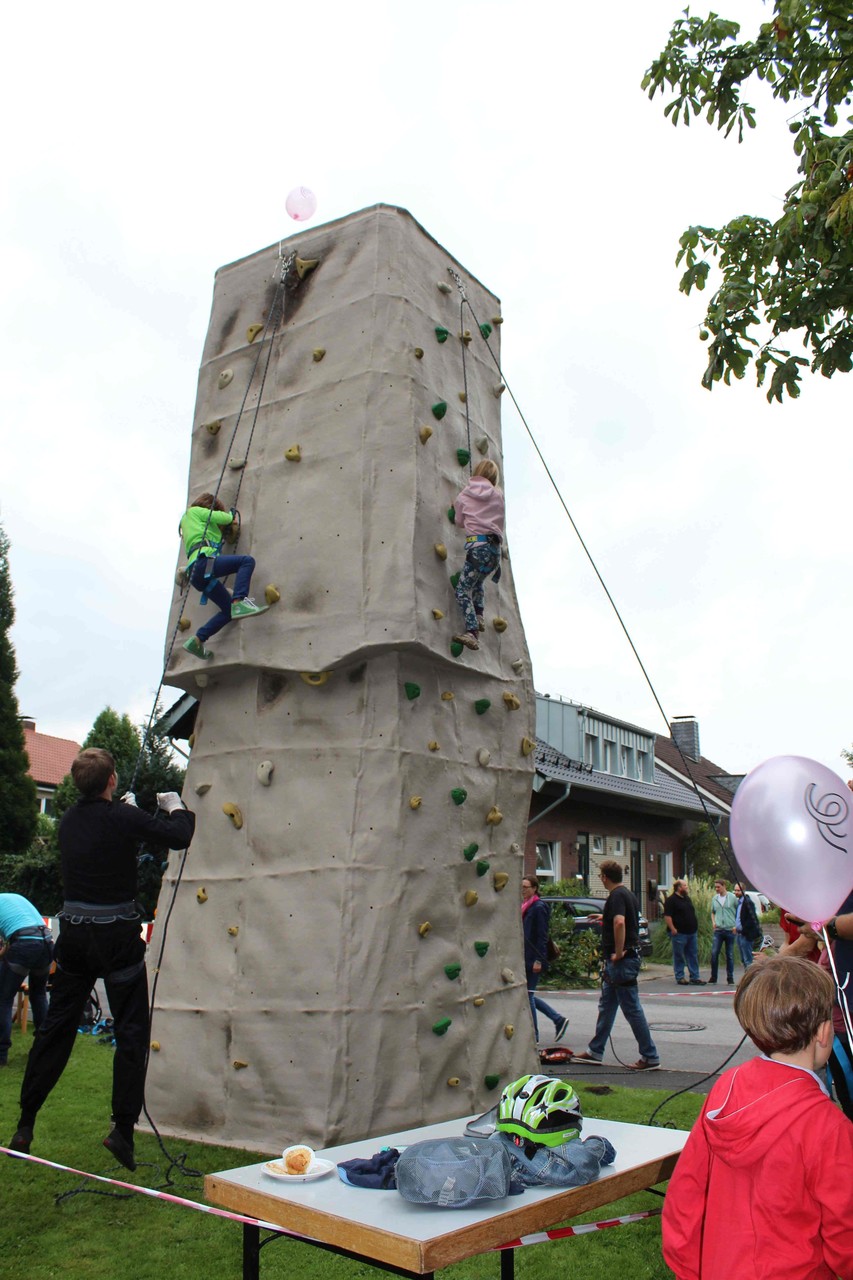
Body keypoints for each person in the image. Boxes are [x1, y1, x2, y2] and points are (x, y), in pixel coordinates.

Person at [8, 748, 195, 1171]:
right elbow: (179, 835)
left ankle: (25, 1122)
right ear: (111, 781)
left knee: (55, 1029)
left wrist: (125, 815)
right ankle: (122, 1131)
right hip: (116, 940)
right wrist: (175, 806)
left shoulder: (70, 820)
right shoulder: (122, 818)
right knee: (131, 1031)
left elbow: (104, 837)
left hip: (73, 937)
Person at [662, 957, 853, 1279]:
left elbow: (687, 1191)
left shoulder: (726, 1087)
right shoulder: (828, 1126)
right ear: (823, 1032)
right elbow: (845, 1229)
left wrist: (688, 1268)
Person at [571, 861, 660, 1070]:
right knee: (607, 1006)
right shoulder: (628, 894)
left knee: (631, 1008)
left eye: (601, 875)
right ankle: (595, 1050)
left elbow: (620, 922)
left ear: (604, 877)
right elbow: (625, 919)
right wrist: (604, 917)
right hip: (621, 962)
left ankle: (650, 1056)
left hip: (622, 961)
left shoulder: (617, 896)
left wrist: (619, 952)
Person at [180, 492, 268, 660]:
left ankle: (198, 640)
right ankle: (239, 600)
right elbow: (221, 517)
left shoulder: (190, 524)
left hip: (197, 574)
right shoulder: (194, 511)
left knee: (229, 612)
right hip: (205, 563)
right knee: (246, 561)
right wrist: (230, 515)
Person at [451, 460, 504, 652]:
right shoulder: (498, 495)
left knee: (462, 590)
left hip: (478, 547)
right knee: (478, 581)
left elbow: (458, 521)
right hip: (494, 551)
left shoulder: (464, 495)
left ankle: (472, 632)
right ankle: (480, 614)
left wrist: (458, 507)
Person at [0, 893, 54, 1067]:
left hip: (25, 944)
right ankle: (44, 1049)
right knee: (38, 994)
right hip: (46, 943)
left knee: (3, 998)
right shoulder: (11, 898)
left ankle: (1, 1054)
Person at [521, 876, 569, 1044]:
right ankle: (558, 1019)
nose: (523, 890)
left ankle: (534, 1036)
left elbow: (542, 936)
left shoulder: (538, 907)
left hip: (533, 958)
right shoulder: (526, 906)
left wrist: (539, 960)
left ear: (535, 888)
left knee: (528, 995)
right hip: (525, 957)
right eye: (522, 887)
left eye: (526, 887)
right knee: (527, 995)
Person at [663, 880, 705, 985]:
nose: (687, 887)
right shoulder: (671, 900)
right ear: (679, 887)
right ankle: (680, 976)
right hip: (679, 933)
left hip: (691, 932)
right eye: (685, 885)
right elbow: (667, 916)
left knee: (692, 955)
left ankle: (695, 976)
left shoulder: (687, 899)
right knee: (679, 956)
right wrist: (673, 929)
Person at [708, 878, 736, 984]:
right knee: (714, 953)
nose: (717, 889)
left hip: (730, 929)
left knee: (729, 955)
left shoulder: (732, 898)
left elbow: (738, 911)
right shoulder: (715, 898)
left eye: (718, 887)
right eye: (715, 887)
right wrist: (713, 922)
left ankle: (730, 977)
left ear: (724, 886)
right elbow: (712, 912)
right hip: (718, 930)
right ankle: (713, 976)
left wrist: (735, 925)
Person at [732, 883, 760, 971]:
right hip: (739, 934)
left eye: (738, 890)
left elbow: (751, 919)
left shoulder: (748, 902)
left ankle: (750, 979)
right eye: (735, 890)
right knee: (743, 959)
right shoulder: (739, 902)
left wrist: (743, 930)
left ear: (743, 891)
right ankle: (747, 976)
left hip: (746, 935)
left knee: (748, 959)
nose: (736, 892)